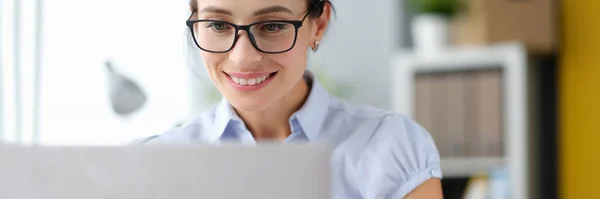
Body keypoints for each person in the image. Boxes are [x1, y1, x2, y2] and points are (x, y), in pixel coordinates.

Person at [135, 0, 443, 198]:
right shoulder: (153, 163)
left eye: (272, 26)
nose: (243, 58)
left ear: (318, 24)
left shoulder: (391, 146)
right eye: (218, 25)